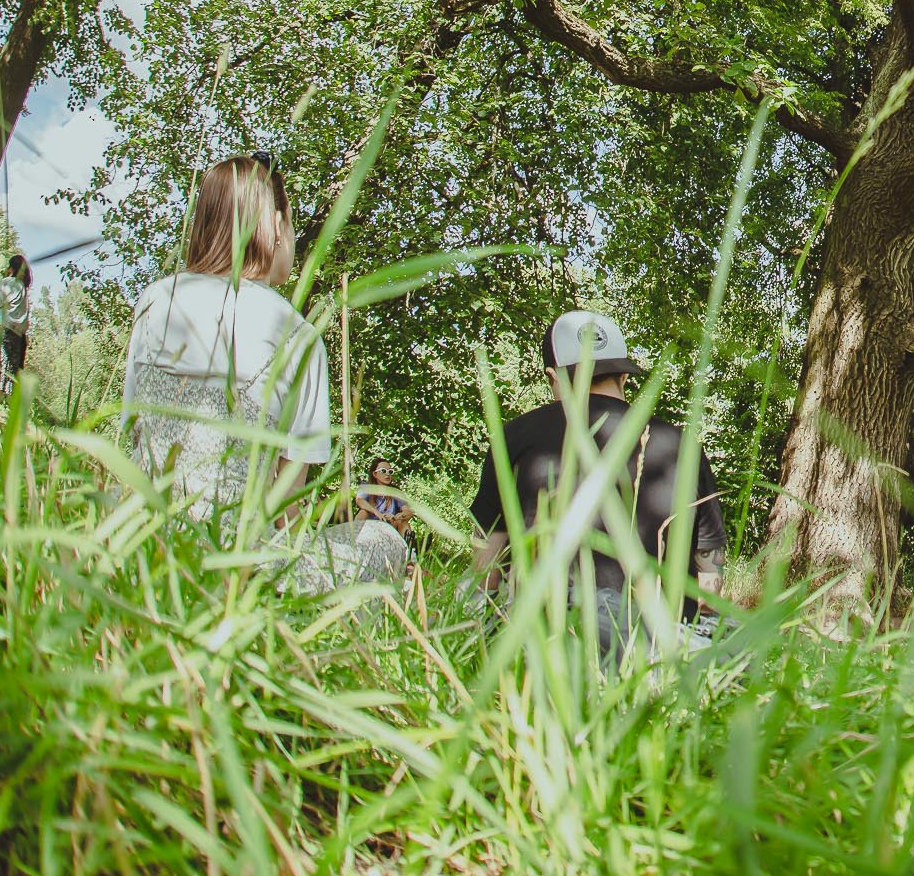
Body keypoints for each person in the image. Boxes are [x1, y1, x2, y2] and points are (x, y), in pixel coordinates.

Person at [121, 155, 405, 592]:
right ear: (275, 225)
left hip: (138, 545)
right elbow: (286, 512)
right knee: (383, 539)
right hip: (238, 562)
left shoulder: (156, 299)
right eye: (291, 226)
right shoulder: (296, 333)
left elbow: (132, 438)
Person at [469, 311, 727, 662]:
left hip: (549, 644)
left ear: (553, 376)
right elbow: (709, 579)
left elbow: (488, 564)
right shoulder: (682, 445)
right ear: (622, 375)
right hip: (656, 646)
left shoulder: (514, 437)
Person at [0, 253, 33, 377]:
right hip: (17, 336)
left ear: (12, 268)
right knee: (10, 373)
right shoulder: (23, 289)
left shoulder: (7, 283)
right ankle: (6, 395)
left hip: (2, 330)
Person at [354, 456, 414, 539]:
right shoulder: (366, 487)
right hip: (369, 526)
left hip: (389, 526)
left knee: (402, 522)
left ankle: (409, 549)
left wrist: (396, 516)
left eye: (390, 471)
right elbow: (359, 500)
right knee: (363, 512)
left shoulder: (395, 491)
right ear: (375, 474)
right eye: (383, 471)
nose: (387, 474)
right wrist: (377, 513)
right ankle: (352, 540)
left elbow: (408, 511)